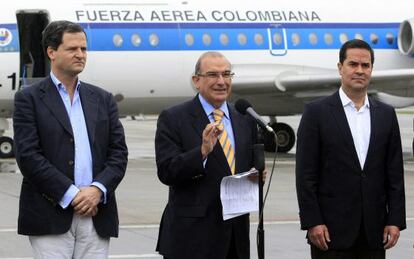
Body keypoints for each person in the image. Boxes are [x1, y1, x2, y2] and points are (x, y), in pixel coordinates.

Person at [13, 20, 128, 258]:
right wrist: (72, 194)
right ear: (52, 52)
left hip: (97, 212)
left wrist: (97, 189)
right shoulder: (29, 99)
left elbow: (118, 153)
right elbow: (28, 156)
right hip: (51, 213)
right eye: (73, 49)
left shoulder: (103, 99)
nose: (80, 55)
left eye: (84, 49)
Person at [296, 39, 406, 259]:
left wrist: (395, 220)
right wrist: (313, 221)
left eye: (365, 66)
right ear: (340, 68)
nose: (359, 70)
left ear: (372, 70)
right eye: (353, 64)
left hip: (374, 233)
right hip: (329, 234)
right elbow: (306, 175)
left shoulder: (386, 114)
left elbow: (394, 174)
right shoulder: (316, 113)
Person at [155, 51, 258, 259]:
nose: (221, 81)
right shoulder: (174, 118)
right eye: (213, 75)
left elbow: (246, 167)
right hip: (192, 237)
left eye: (227, 74)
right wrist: (202, 152)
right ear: (196, 81)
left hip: (235, 237)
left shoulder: (244, 118)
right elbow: (167, 171)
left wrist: (257, 176)